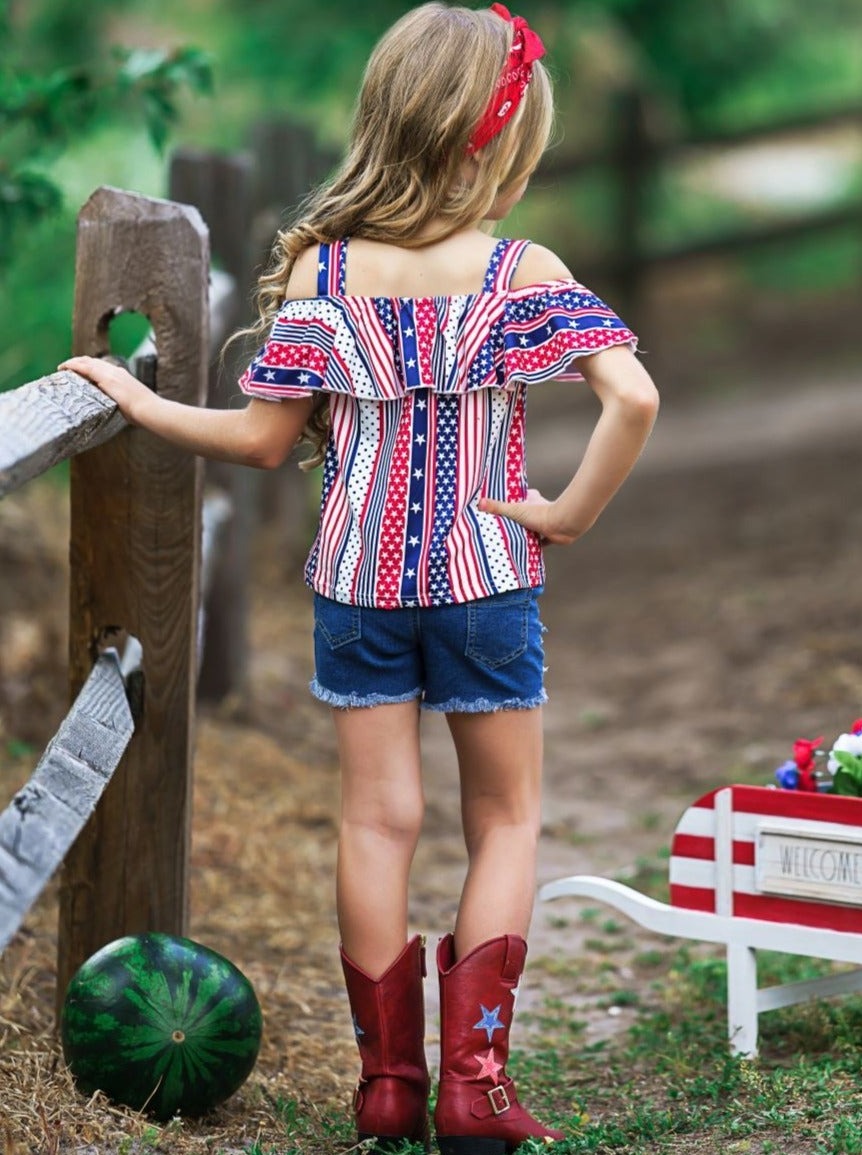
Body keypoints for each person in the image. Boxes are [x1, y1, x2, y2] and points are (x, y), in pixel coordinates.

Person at [61, 3, 659, 1151]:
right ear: (500, 139)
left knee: (377, 823)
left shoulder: (324, 272)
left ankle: (387, 1086)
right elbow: (632, 396)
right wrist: (569, 514)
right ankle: (474, 1088)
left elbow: (260, 443)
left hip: (356, 585)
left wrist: (136, 398)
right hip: (487, 579)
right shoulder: (521, 270)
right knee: (505, 818)